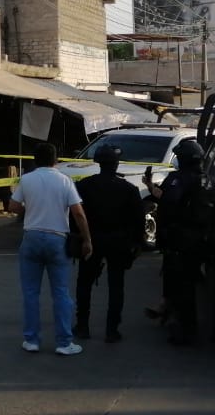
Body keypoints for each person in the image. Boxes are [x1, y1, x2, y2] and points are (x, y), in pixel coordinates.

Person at [8, 142, 92, 356]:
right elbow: (78, 213)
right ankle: (64, 342)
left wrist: (30, 209)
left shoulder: (27, 179)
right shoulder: (65, 180)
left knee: (30, 293)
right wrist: (87, 240)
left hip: (32, 237)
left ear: (35, 160)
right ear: (56, 159)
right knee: (61, 293)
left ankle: (31, 340)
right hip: (57, 239)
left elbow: (13, 206)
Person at [74, 143, 147, 343]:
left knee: (84, 283)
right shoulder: (128, 189)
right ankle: (112, 330)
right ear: (116, 164)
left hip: (92, 240)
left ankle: (82, 326)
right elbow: (138, 219)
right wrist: (138, 243)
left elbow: (75, 214)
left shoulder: (84, 185)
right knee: (116, 286)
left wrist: (80, 238)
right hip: (119, 242)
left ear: (98, 163)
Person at [144, 139, 207, 345]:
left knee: (182, 287)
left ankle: (183, 329)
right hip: (199, 241)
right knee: (181, 282)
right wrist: (150, 185)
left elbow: (167, 200)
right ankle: (169, 311)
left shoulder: (178, 180)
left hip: (180, 241)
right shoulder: (209, 180)